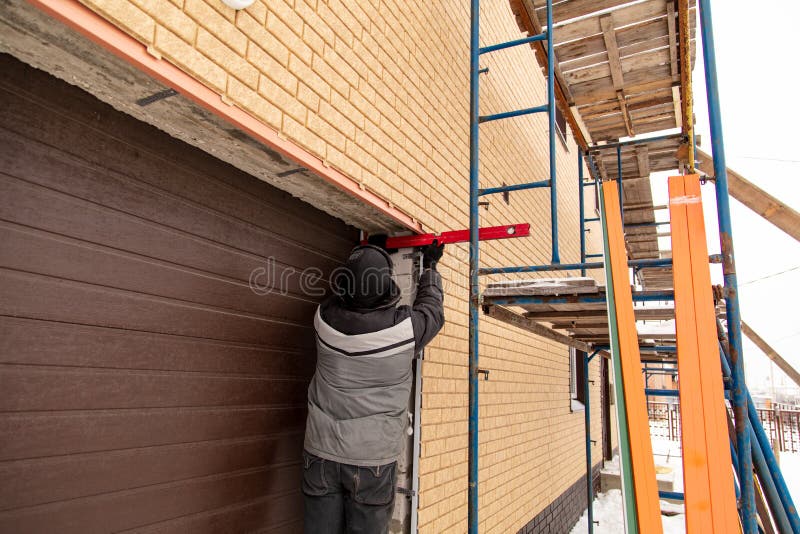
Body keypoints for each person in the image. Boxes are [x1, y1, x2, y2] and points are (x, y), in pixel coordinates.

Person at [302, 240, 445, 534]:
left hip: (320, 454)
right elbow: (433, 308)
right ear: (387, 288)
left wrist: (367, 251)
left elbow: (341, 296)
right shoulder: (406, 331)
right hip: (372, 464)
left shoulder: (323, 319)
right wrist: (430, 267)